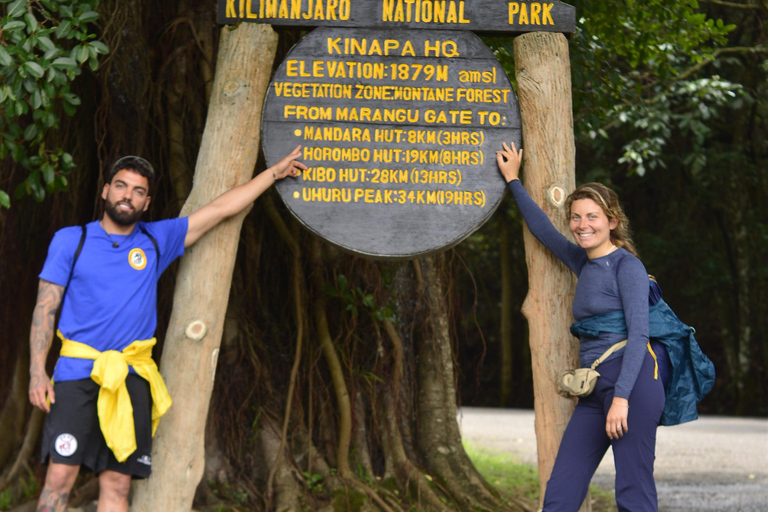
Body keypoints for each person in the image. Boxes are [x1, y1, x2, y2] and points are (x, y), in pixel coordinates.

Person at [28, 147, 307, 512]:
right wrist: (37, 371)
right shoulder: (71, 240)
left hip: (131, 377)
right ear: (105, 191)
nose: (127, 195)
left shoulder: (157, 239)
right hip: (75, 374)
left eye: (138, 191)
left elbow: (221, 210)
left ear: (146, 203)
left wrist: (274, 173)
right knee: (59, 479)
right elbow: (44, 309)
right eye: (121, 186)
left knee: (116, 485)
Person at [496, 141, 670, 511]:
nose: (582, 225)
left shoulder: (628, 267)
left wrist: (622, 397)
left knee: (633, 491)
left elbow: (639, 334)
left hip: (633, 384)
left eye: (592, 216)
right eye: (576, 217)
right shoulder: (583, 261)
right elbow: (543, 230)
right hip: (593, 388)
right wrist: (513, 180)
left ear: (612, 221)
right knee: (561, 490)